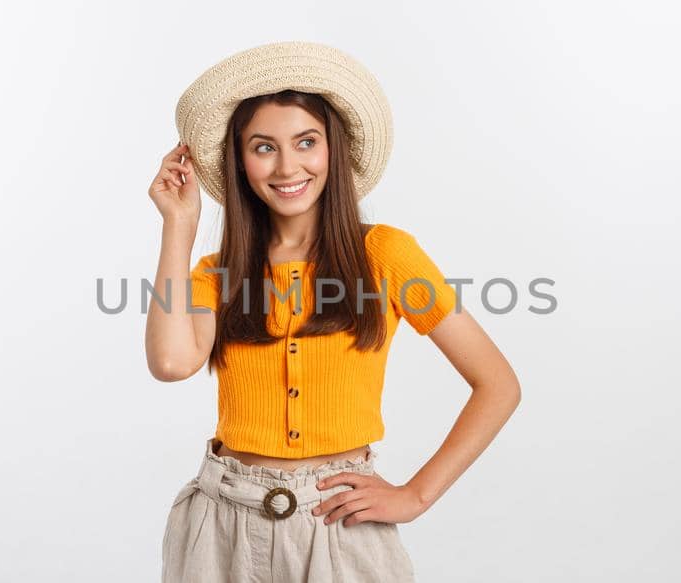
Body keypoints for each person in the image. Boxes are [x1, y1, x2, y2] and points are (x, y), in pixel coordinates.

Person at [145, 41, 521, 583]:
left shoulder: (386, 256)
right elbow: (171, 362)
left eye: (306, 142)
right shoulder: (215, 274)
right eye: (263, 147)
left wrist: (416, 495)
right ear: (240, 160)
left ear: (333, 150)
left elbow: (498, 384)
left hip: (339, 523)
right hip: (221, 524)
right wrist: (177, 226)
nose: (288, 165)